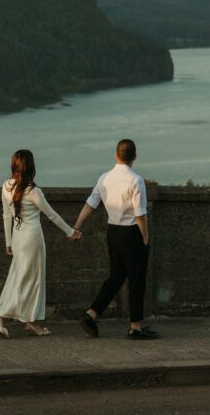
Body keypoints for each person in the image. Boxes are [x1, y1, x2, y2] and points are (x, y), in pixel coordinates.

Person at [0, 149, 80, 338]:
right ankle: (4, 313)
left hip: (18, 236)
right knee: (32, 281)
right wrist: (70, 231)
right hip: (32, 238)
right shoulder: (33, 191)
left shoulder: (6, 186)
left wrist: (8, 242)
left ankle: (27, 321)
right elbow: (52, 215)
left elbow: (6, 215)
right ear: (31, 167)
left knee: (18, 277)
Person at [72, 138, 158, 340]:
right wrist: (145, 237)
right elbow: (140, 214)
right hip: (132, 233)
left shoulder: (104, 178)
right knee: (136, 279)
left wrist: (77, 226)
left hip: (113, 232)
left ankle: (91, 314)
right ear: (134, 157)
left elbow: (90, 204)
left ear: (116, 155)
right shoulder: (136, 180)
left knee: (117, 276)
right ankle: (135, 327)